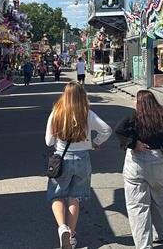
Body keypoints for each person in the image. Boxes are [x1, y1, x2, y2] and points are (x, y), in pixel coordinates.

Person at [45, 82, 112, 249]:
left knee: (56, 195)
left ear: (65, 96)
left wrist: (57, 141)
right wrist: (95, 143)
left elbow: (48, 141)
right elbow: (106, 130)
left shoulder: (57, 113)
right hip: (83, 159)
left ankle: (62, 229)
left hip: (61, 159)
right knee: (75, 198)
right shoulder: (87, 113)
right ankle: (72, 236)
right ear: (82, 96)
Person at [115, 90, 163, 249]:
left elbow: (119, 129)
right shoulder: (161, 119)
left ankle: (144, 244)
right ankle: (160, 233)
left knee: (137, 205)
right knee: (159, 197)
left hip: (136, 161)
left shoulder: (133, 118)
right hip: (157, 160)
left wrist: (133, 143)